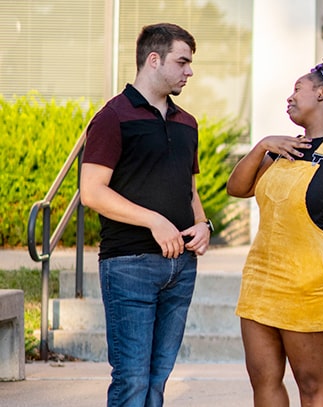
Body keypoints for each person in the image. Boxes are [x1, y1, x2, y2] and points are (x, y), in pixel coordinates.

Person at [226, 59, 323, 407]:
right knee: (263, 381)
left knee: (312, 384)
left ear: (322, 93)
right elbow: (238, 188)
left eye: (298, 88)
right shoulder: (284, 147)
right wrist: (262, 145)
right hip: (260, 281)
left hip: (308, 285)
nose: (290, 96)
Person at [79, 22, 209, 407]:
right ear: (154, 60)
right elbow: (92, 192)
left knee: (156, 382)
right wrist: (153, 219)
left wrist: (203, 224)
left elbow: (190, 189)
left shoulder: (187, 123)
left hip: (181, 267)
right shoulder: (113, 117)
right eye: (182, 61)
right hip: (129, 266)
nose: (190, 71)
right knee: (132, 382)